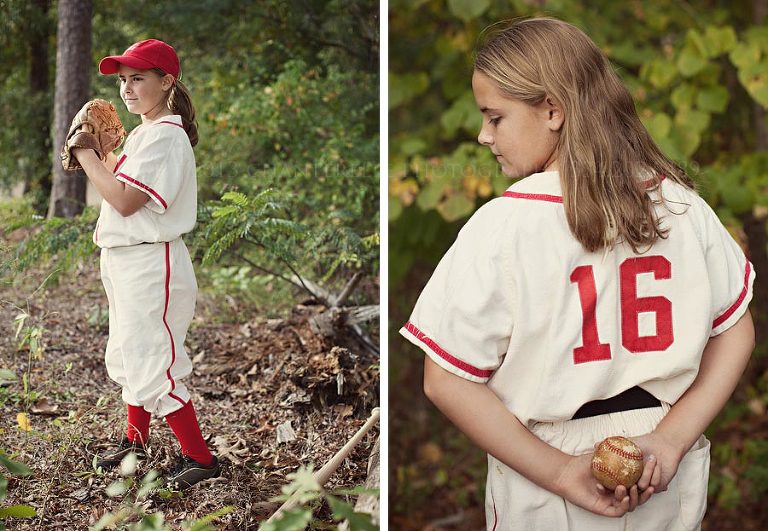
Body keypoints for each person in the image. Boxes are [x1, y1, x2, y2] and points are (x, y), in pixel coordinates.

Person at [400, 17, 755, 530]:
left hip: (545, 471)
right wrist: (672, 439)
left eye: (495, 117)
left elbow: (444, 382)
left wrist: (562, 470)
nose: (483, 135)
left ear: (552, 111)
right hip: (661, 464)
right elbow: (737, 330)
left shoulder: (504, 227)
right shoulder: (678, 204)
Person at [71, 38, 220, 490]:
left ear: (166, 81)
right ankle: (134, 444)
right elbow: (121, 180)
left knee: (154, 360)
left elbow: (123, 199)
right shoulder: (144, 133)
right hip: (126, 259)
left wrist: (85, 155)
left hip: (153, 263)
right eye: (123, 80)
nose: (127, 89)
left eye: (139, 78)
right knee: (130, 354)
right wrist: (109, 154)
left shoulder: (166, 136)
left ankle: (200, 458)